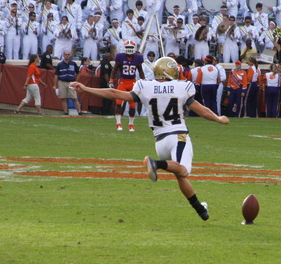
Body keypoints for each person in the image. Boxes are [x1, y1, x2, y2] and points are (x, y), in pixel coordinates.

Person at [70, 56, 229, 221]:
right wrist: (219, 119)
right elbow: (202, 110)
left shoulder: (145, 86)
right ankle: (156, 164)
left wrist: (85, 88)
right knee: (184, 171)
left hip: (160, 141)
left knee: (179, 175)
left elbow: (113, 93)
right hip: (178, 136)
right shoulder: (182, 87)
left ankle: (200, 209)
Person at [111, 40, 145, 131]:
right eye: (127, 47)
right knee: (118, 103)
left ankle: (131, 124)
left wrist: (143, 81)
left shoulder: (138, 58)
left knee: (132, 105)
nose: (129, 49)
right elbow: (114, 70)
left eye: (131, 48)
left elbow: (140, 71)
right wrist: (111, 80)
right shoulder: (120, 57)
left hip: (132, 82)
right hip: (122, 82)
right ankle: (118, 123)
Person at [54, 51, 81, 115]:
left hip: (71, 82)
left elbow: (78, 73)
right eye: (66, 54)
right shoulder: (60, 65)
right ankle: (65, 112)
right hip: (62, 82)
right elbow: (56, 75)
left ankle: (79, 111)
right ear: (63, 55)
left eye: (68, 55)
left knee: (74, 97)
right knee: (63, 98)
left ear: (70, 55)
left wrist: (76, 81)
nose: (67, 56)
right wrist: (55, 85)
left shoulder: (73, 64)